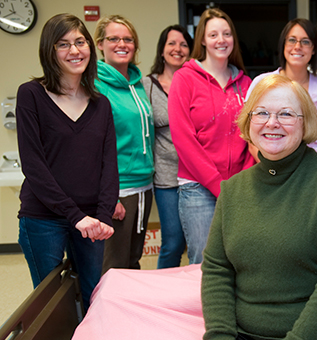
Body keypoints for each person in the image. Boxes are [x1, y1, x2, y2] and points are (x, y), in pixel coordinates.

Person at [201, 74, 317, 340]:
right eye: (261, 113)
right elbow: (217, 270)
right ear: (249, 122)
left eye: (286, 114)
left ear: (305, 122)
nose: (272, 123)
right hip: (247, 333)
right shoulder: (233, 189)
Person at [16, 13, 117, 309]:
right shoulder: (31, 95)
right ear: (50, 51)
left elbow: (109, 165)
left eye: (80, 41)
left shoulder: (101, 104)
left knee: (92, 298)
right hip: (43, 218)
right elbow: (33, 165)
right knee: (52, 307)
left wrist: (104, 216)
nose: (74, 51)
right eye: (63, 44)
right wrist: (75, 216)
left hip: (91, 219)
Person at [168, 8, 255, 265]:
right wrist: (218, 185)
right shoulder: (185, 79)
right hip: (197, 188)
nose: (221, 40)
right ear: (203, 40)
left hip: (239, 186)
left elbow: (252, 135)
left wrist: (244, 179)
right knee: (205, 262)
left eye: (227, 34)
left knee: (240, 260)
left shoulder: (245, 83)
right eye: (214, 34)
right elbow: (183, 139)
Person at [94, 15, 155, 272]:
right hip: (119, 190)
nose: (122, 44)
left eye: (128, 39)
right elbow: (91, 148)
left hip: (144, 186)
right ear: (100, 44)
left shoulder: (138, 85)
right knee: (114, 267)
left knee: (133, 261)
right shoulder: (95, 85)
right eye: (114, 38)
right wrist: (107, 197)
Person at [247, 18, 317, 159]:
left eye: (305, 42)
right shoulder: (262, 82)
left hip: (316, 167)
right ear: (283, 45)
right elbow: (251, 138)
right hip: (274, 166)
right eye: (292, 40)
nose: (297, 46)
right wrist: (271, 171)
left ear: (314, 48)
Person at [143, 25, 193, 269]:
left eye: (183, 44)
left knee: (199, 243)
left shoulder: (196, 82)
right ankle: (162, 296)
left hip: (196, 173)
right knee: (173, 242)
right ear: (162, 50)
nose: (178, 49)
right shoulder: (146, 86)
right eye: (172, 43)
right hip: (166, 177)